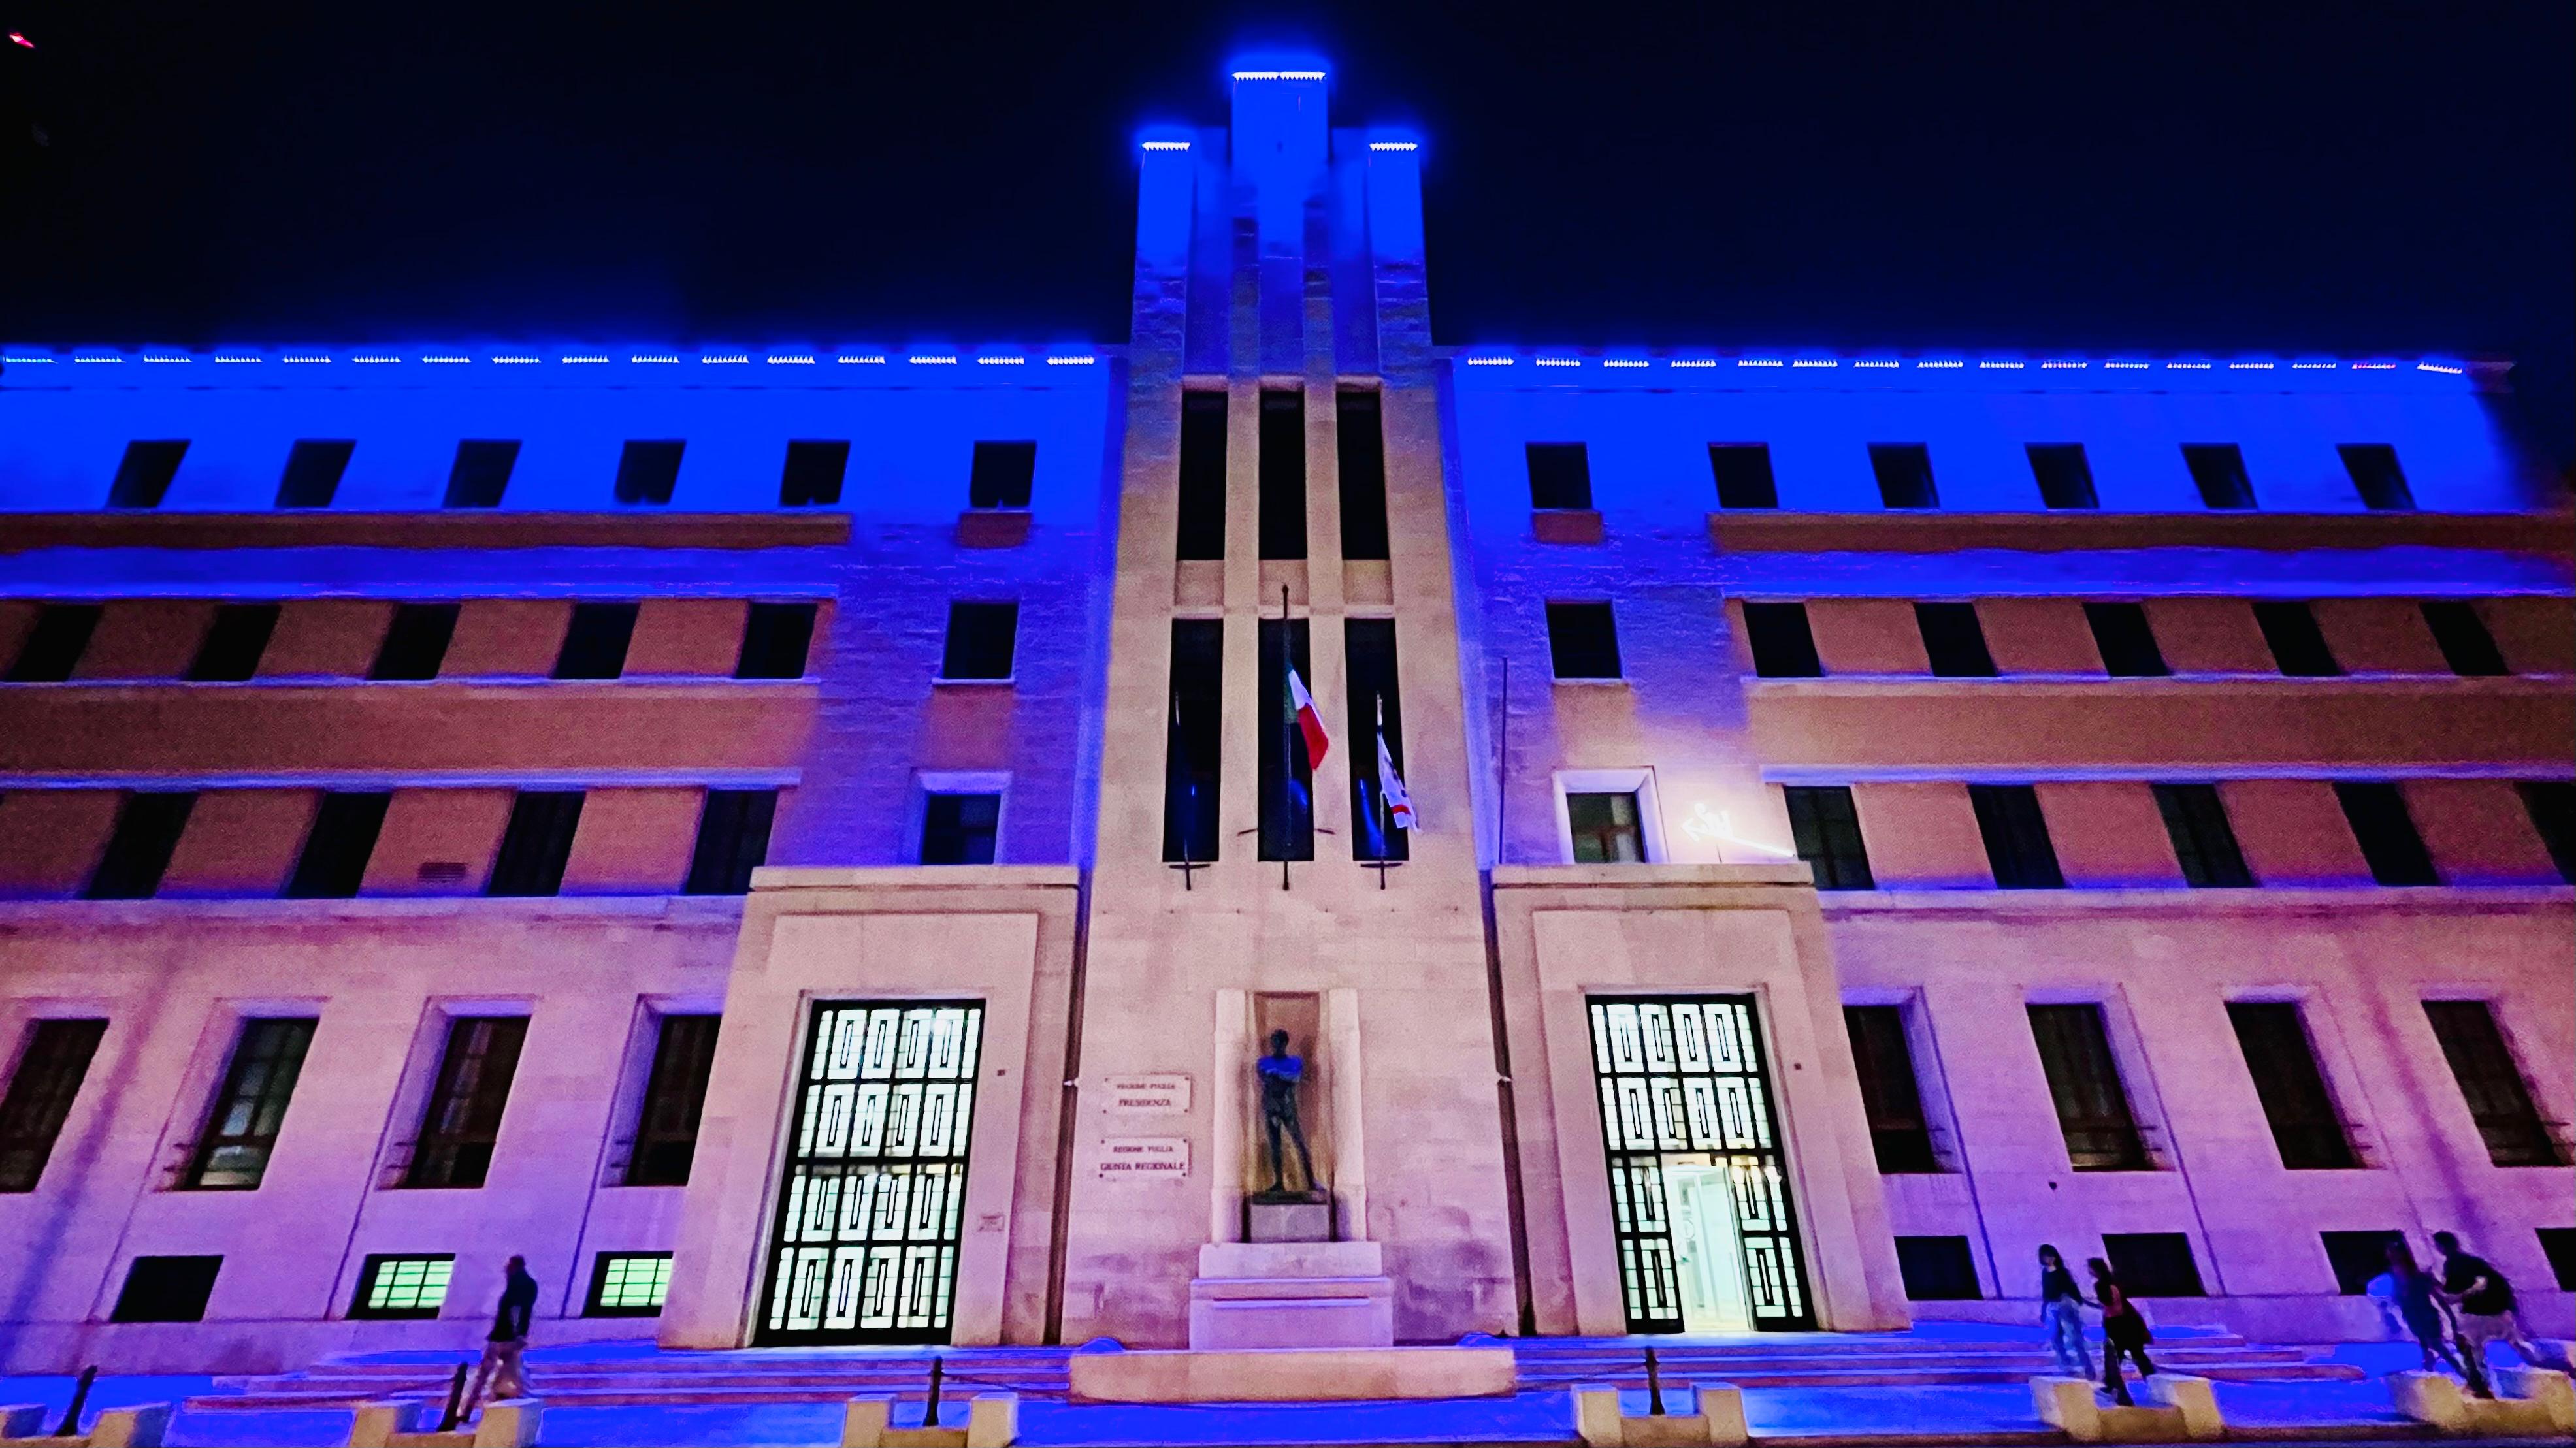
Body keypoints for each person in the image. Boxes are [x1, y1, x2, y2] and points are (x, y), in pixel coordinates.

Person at [2384, 1239, 2487, 1396]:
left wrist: (2452, 1321)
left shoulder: (2417, 1277)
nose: (2391, 1256)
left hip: (2426, 1317)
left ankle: (2470, 1379)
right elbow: (2399, 1299)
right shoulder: (2400, 1277)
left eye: (2393, 1254)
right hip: (2414, 1317)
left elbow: (2439, 1298)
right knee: (2427, 1348)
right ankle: (2432, 1378)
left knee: (2438, 1347)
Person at [2432, 1231, 2543, 1371]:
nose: (2438, 1249)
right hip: (2493, 1309)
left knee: (2474, 1347)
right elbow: (2452, 1291)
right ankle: (2539, 1365)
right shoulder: (2465, 1262)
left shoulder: (2460, 1263)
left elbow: (2480, 1283)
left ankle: (2481, 1380)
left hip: (2480, 1312)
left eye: (2438, 1245)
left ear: (2443, 1246)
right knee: (2515, 1343)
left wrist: (2461, 1295)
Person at [464, 1255, 539, 1416]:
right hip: (510, 1335)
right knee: (509, 1371)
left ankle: (470, 1407)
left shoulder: (516, 1284)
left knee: (487, 1372)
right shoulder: (528, 1284)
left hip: (504, 1336)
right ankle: (498, 1399)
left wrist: (516, 1332)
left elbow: (515, 1309)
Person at [2086, 1257, 2156, 1406]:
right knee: (2136, 1354)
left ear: (2094, 1270)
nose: (2088, 1270)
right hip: (2130, 1320)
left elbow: (2112, 1306)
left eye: (2090, 1268)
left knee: (2114, 1356)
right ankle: (2152, 1380)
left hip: (2117, 1323)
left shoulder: (2101, 1285)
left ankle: (2115, 1388)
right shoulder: (2113, 1280)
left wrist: (2105, 1314)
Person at [1257, 1029, 1317, 1195]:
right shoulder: (1264, 1062)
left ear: (1285, 1043)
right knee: (1275, 1146)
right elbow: (1267, 1079)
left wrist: (1277, 1076)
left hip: (1288, 1107)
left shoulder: (1295, 1061)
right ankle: (1278, 1182)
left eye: (1278, 1042)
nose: (1275, 1045)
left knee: (1300, 1143)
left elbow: (1295, 1078)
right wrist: (1282, 1078)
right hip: (1271, 1107)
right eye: (1273, 1042)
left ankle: (1311, 1181)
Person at [2038, 1245, 2094, 1379]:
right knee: (2056, 1337)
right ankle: (2067, 1364)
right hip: (2053, 1305)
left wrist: (2078, 1300)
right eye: (2046, 1257)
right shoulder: (2045, 1272)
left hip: (2067, 1305)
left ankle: (2088, 1367)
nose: (2049, 1259)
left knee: (2075, 1337)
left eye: (2051, 1256)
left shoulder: (2062, 1271)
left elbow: (2072, 1287)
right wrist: (2043, 1309)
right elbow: (2046, 1292)